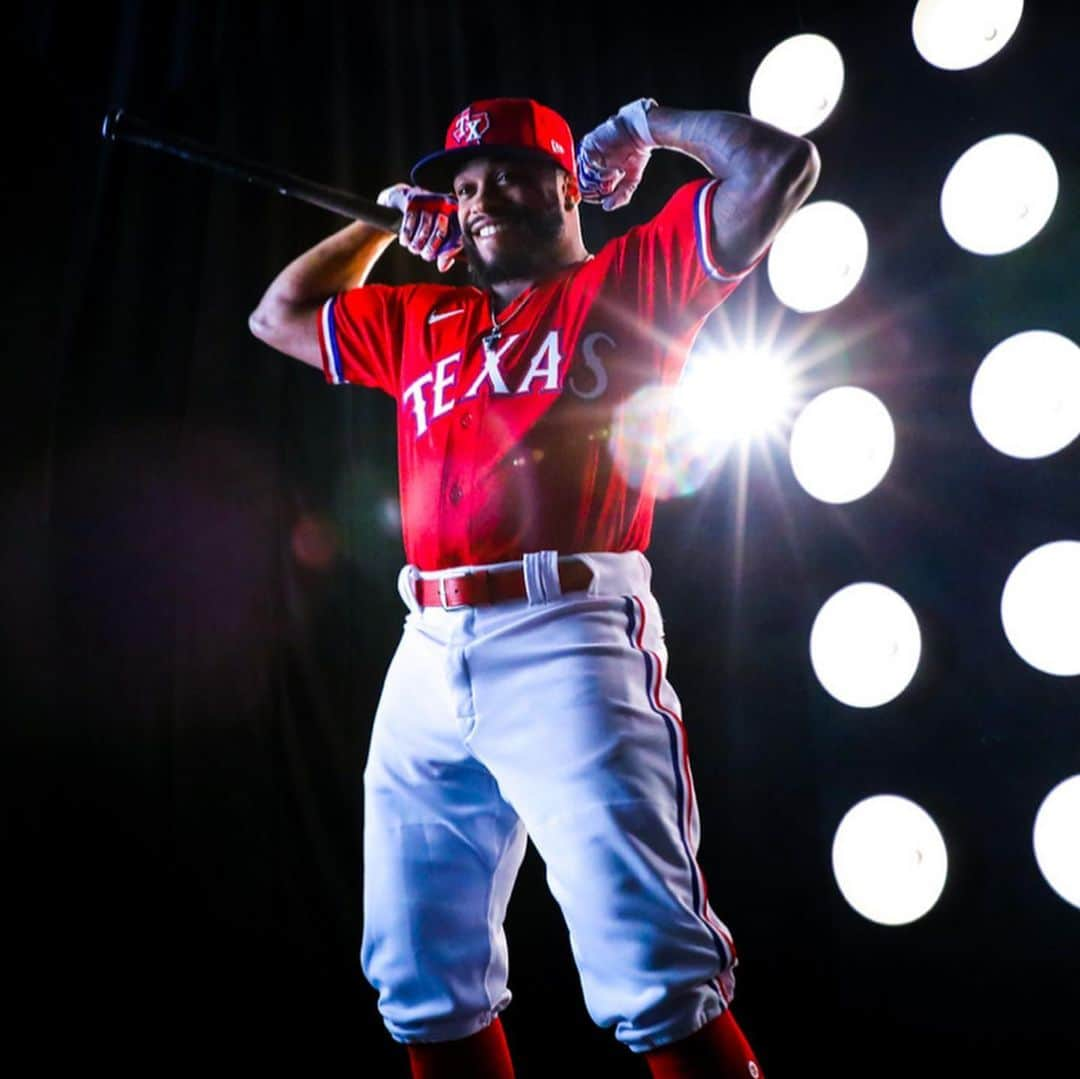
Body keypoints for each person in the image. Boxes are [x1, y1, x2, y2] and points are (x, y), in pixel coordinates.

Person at [250, 95, 819, 1078]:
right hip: (426, 642)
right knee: (418, 975)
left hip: (570, 630)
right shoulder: (429, 316)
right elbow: (280, 315)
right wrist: (379, 228)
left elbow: (779, 170)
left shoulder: (632, 278)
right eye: (463, 184)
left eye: (507, 172)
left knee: (655, 969)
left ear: (567, 182)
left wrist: (649, 125)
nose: (478, 199)